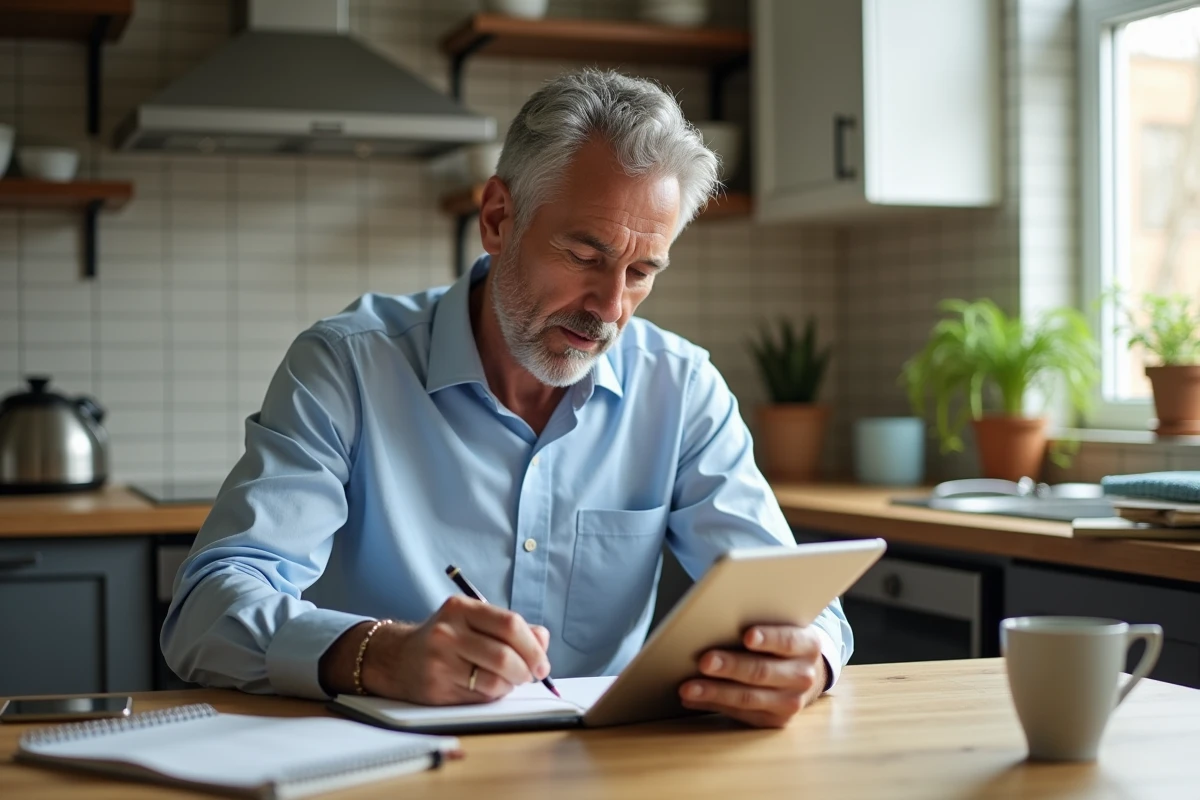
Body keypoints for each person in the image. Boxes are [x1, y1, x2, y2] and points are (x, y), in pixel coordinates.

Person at [162, 68, 852, 729]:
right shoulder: (347, 366)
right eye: (585, 255)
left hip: (605, 773)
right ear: (497, 218)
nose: (610, 308)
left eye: (642, 271)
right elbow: (205, 613)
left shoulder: (682, 388)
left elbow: (799, 602)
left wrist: (808, 660)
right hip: (386, 765)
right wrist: (377, 655)